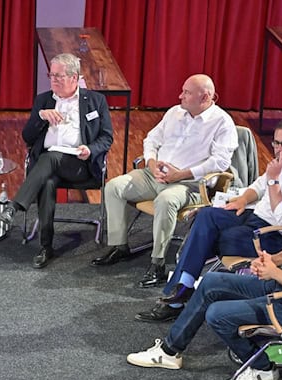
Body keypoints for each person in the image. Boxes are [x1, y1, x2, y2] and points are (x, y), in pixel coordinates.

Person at [127, 161, 282, 380]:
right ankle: (169, 352)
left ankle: (262, 368)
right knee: (211, 281)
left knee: (217, 314)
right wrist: (274, 260)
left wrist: (274, 272)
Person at [138, 118, 282, 323]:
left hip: (276, 235)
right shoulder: (281, 163)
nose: (279, 150)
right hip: (253, 216)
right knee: (207, 214)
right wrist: (242, 200)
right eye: (276, 143)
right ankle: (183, 288)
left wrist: (274, 181)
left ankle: (179, 294)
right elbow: (258, 186)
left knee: (209, 236)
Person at [93, 74, 238, 288]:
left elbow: (220, 162)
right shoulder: (174, 112)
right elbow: (151, 139)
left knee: (166, 200)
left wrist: (182, 174)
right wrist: (151, 163)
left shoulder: (223, 123)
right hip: (155, 174)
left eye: (187, 93)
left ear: (205, 96)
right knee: (114, 187)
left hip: (189, 184)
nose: (180, 95)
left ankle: (158, 264)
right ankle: (119, 246)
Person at [0, 52, 113, 268]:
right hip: (47, 166)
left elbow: (106, 137)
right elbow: (28, 138)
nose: (53, 80)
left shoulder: (95, 101)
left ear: (74, 77)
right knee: (47, 180)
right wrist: (40, 117)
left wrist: (89, 149)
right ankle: (45, 246)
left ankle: (15, 206)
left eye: (59, 76)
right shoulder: (44, 100)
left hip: (79, 164)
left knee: (50, 159)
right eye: (51, 75)